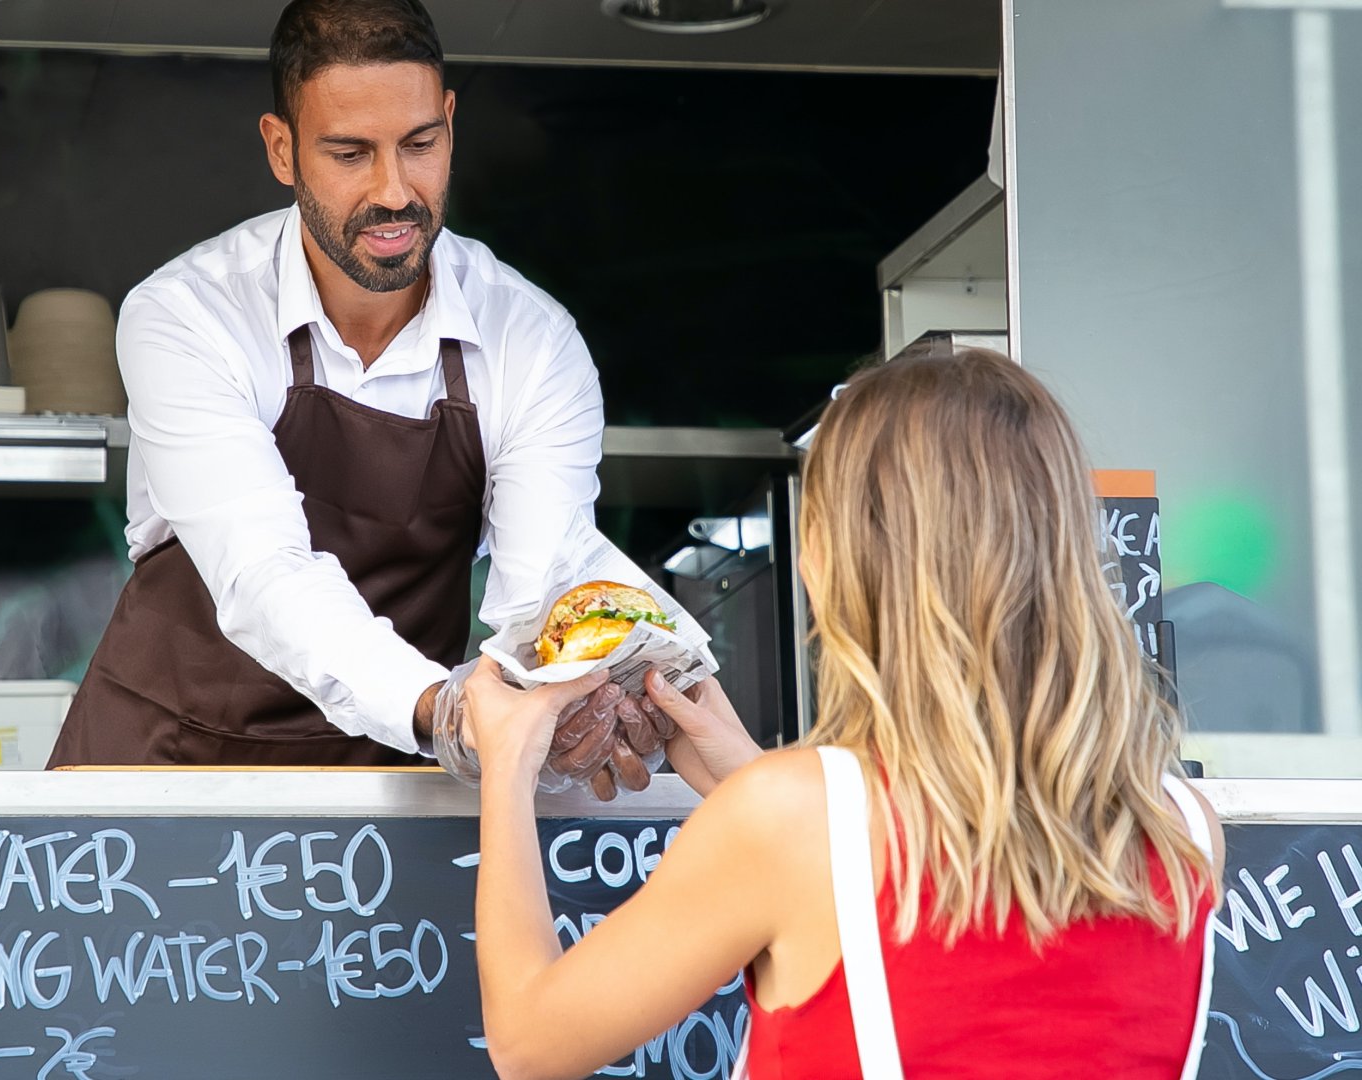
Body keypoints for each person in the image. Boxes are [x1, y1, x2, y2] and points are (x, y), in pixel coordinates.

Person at [465, 348, 1226, 1079]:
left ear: (840, 560)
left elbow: (530, 1045)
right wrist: (754, 775)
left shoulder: (785, 820)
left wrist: (505, 764)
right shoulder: (1187, 827)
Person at [46, 0, 615, 769]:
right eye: (350, 154)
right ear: (282, 151)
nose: (393, 192)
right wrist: (441, 710)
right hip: (163, 769)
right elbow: (263, 570)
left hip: (391, 787)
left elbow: (536, 602)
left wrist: (569, 700)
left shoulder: (533, 341)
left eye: (420, 144)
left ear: (450, 121)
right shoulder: (188, 314)